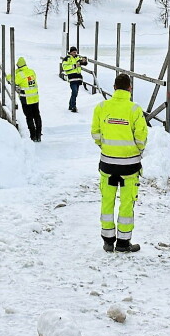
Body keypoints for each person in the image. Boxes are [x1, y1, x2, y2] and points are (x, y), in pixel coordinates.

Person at [91, 73, 148, 253]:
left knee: (107, 201)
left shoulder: (101, 107)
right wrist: (136, 151)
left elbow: (95, 133)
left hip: (107, 164)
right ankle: (123, 243)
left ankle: (108, 241)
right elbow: (141, 137)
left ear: (114, 87)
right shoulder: (134, 110)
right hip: (130, 166)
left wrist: (106, 147)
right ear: (130, 88)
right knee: (126, 202)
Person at [7, 57, 43, 141]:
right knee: (37, 116)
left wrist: (9, 75)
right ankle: (39, 134)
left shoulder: (20, 75)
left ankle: (33, 135)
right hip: (35, 98)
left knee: (29, 117)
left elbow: (12, 80)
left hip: (26, 99)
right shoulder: (31, 72)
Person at [61, 46, 86, 112]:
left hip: (78, 77)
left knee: (75, 93)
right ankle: (73, 106)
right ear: (71, 52)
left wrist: (84, 60)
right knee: (74, 91)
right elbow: (64, 67)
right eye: (74, 52)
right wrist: (74, 66)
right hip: (72, 77)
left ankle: (70, 105)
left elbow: (85, 63)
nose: (75, 53)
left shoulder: (78, 57)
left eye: (76, 52)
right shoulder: (67, 58)